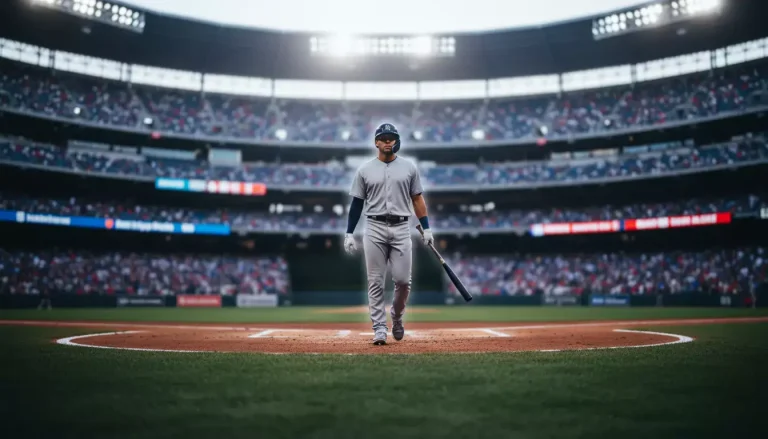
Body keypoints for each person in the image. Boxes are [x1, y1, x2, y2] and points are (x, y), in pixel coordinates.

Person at [344, 123, 433, 345]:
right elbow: (356, 204)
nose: (387, 141)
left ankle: (396, 316)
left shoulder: (409, 168)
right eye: (383, 138)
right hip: (373, 227)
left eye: (391, 138)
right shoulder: (364, 169)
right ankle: (379, 328)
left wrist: (427, 227)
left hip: (402, 227)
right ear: (376, 142)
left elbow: (417, 199)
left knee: (403, 281)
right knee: (375, 281)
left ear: (396, 141)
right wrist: (349, 233)